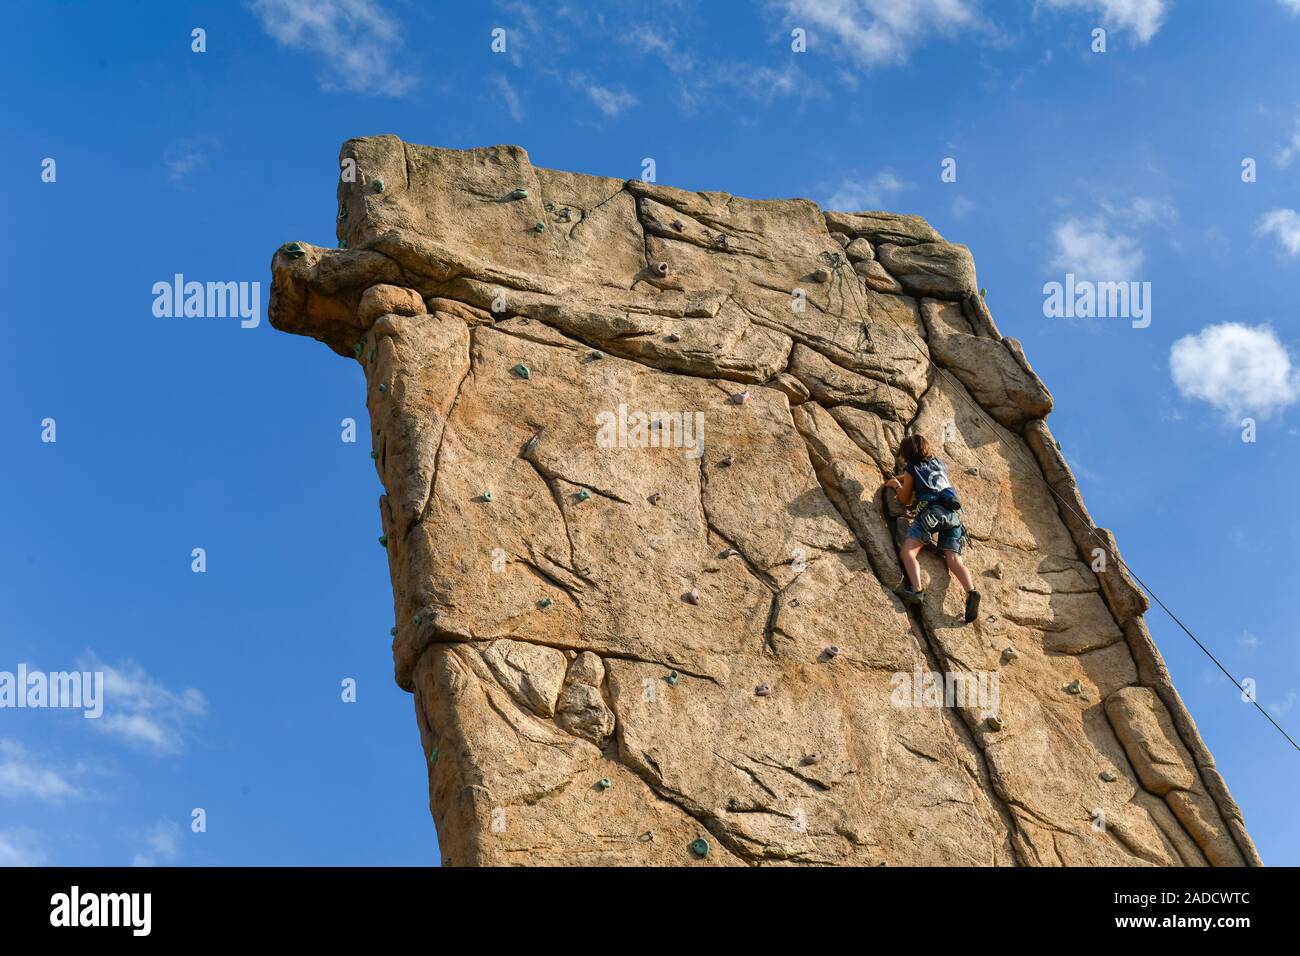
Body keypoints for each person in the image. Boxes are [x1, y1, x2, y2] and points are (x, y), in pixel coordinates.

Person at [882, 434, 981, 624]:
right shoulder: (939, 463)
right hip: (952, 516)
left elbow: (904, 499)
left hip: (930, 514)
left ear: (905, 454)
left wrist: (896, 485)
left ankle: (916, 590)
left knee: (908, 552)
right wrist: (904, 477)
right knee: (953, 559)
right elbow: (926, 475)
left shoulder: (911, 468)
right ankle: (971, 591)